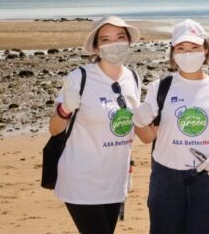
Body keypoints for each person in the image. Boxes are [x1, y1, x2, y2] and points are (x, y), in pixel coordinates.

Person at [132, 19, 209, 234]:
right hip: (166, 179)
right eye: (181, 48)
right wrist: (139, 122)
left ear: (205, 50)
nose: (188, 53)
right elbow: (147, 137)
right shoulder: (161, 87)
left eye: (194, 47)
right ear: (173, 52)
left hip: (208, 177)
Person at [49, 15, 142, 234]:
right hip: (83, 179)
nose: (114, 44)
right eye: (106, 40)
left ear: (129, 41)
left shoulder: (133, 78)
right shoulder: (80, 77)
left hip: (116, 179)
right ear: (97, 48)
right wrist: (65, 109)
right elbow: (54, 129)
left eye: (120, 37)